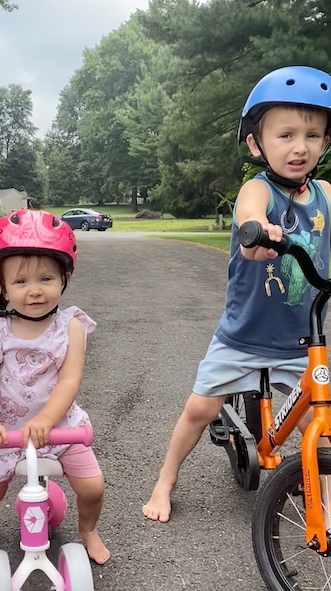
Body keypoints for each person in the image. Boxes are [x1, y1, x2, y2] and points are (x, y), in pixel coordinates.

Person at [142, 65, 331, 523]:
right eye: (285, 134)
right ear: (256, 143)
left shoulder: (325, 193)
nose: (300, 146)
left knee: (321, 428)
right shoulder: (257, 188)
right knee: (200, 408)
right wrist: (258, 232)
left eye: (313, 134)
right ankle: (166, 479)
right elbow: (250, 213)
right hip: (244, 336)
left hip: (302, 343)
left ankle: (324, 509)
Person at [0, 209, 110, 564]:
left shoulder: (70, 325)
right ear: (1, 285)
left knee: (92, 487)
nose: (35, 291)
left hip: (59, 426)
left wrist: (48, 420)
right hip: (3, 430)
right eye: (21, 282)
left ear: (64, 276)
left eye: (46, 278)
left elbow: (70, 379)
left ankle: (88, 528)